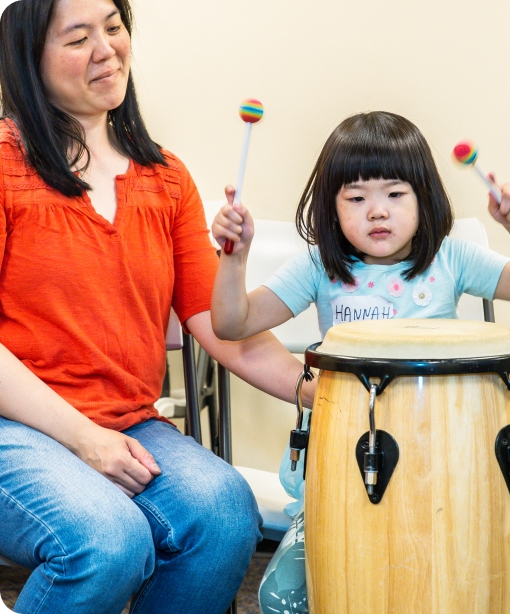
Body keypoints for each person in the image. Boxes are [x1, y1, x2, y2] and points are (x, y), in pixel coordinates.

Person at [0, 1, 316, 613]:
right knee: (107, 540)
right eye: (77, 37)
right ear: (28, 58)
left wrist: (324, 391)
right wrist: (86, 440)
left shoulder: (166, 178)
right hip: (16, 426)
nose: (105, 49)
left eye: (114, 28)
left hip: (127, 420)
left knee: (226, 515)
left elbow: (223, 328)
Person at [210, 110, 510, 613]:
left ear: (424, 198)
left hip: (447, 468)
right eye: (356, 197)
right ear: (331, 207)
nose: (377, 212)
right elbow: (231, 324)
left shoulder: (451, 258)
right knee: (283, 599)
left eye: (395, 195)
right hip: (343, 465)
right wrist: (234, 257)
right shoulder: (318, 267)